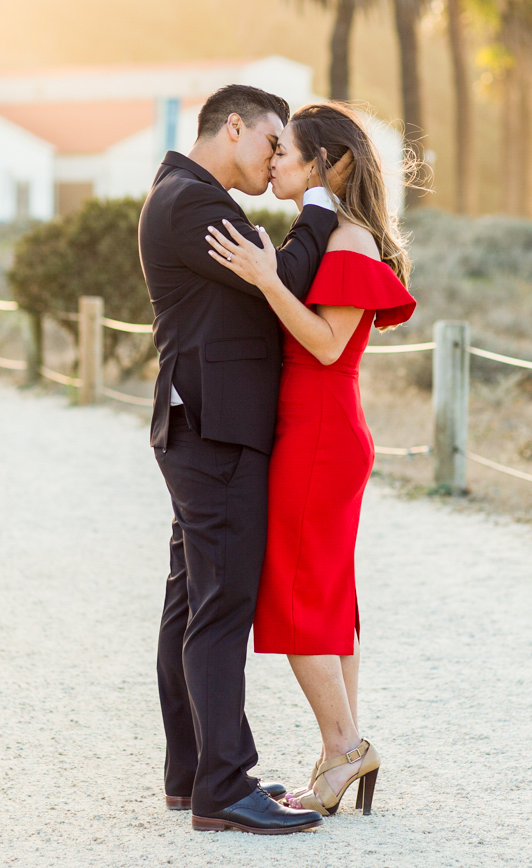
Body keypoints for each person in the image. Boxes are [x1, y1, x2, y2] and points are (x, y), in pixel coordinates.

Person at [137, 85, 352, 835]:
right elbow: (284, 279)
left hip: (200, 426)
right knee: (220, 607)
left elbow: (263, 280)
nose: (275, 158)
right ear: (234, 127)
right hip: (217, 431)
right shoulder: (193, 203)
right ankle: (224, 787)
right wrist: (320, 204)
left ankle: (192, 773)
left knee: (193, 603)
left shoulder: (186, 194)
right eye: (271, 142)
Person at [205, 102, 415, 817]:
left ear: (330, 163)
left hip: (322, 434)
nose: (273, 164)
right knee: (323, 597)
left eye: (285, 153)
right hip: (314, 431)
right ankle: (339, 752)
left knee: (297, 598)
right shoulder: (325, 233)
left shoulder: (350, 240)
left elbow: (326, 346)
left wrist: (266, 279)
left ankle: (346, 748)